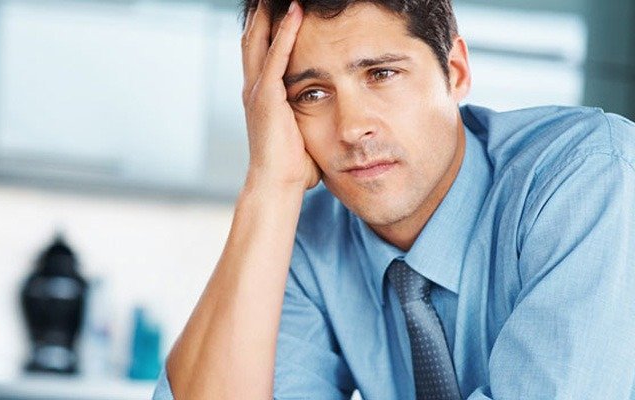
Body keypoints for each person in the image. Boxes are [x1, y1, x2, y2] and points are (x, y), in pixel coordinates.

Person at [153, 0, 635, 398]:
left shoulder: (587, 175)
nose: (352, 127)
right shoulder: (306, 241)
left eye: (382, 74)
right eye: (312, 94)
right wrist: (269, 184)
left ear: (455, 72)